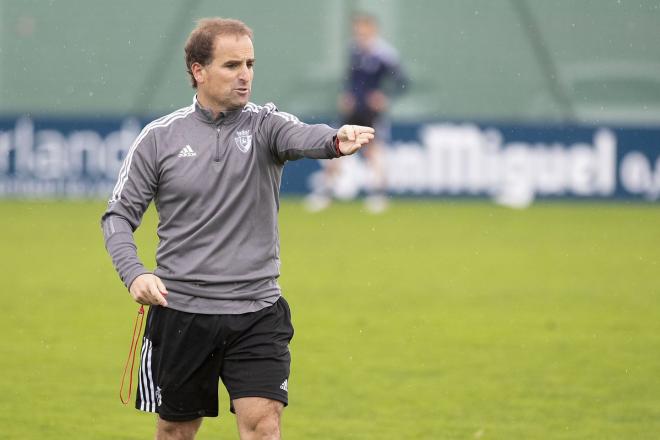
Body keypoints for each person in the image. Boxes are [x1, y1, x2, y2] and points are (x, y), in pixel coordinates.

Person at [101, 18, 374, 440]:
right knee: (175, 430)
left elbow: (303, 135)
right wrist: (135, 274)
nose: (245, 74)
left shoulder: (265, 125)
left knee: (263, 426)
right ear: (198, 70)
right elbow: (118, 216)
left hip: (257, 312)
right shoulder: (158, 139)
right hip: (182, 312)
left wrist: (336, 140)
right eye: (231, 65)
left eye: (250, 63)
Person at [305, 13, 407, 213]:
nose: (359, 33)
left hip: (371, 111)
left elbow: (402, 82)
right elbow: (350, 78)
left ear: (373, 29)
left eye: (363, 29)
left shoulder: (384, 54)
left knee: (373, 150)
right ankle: (325, 192)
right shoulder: (354, 50)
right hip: (352, 109)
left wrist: (384, 96)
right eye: (357, 30)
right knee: (336, 147)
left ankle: (378, 195)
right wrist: (347, 95)